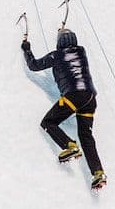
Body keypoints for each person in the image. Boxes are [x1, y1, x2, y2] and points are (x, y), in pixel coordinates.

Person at [22, 26, 105, 189]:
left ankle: (69, 146)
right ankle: (98, 173)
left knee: (48, 122)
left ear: (59, 43)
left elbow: (34, 65)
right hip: (90, 98)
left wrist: (27, 49)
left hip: (73, 96)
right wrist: (63, 30)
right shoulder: (82, 53)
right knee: (86, 135)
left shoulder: (57, 55)